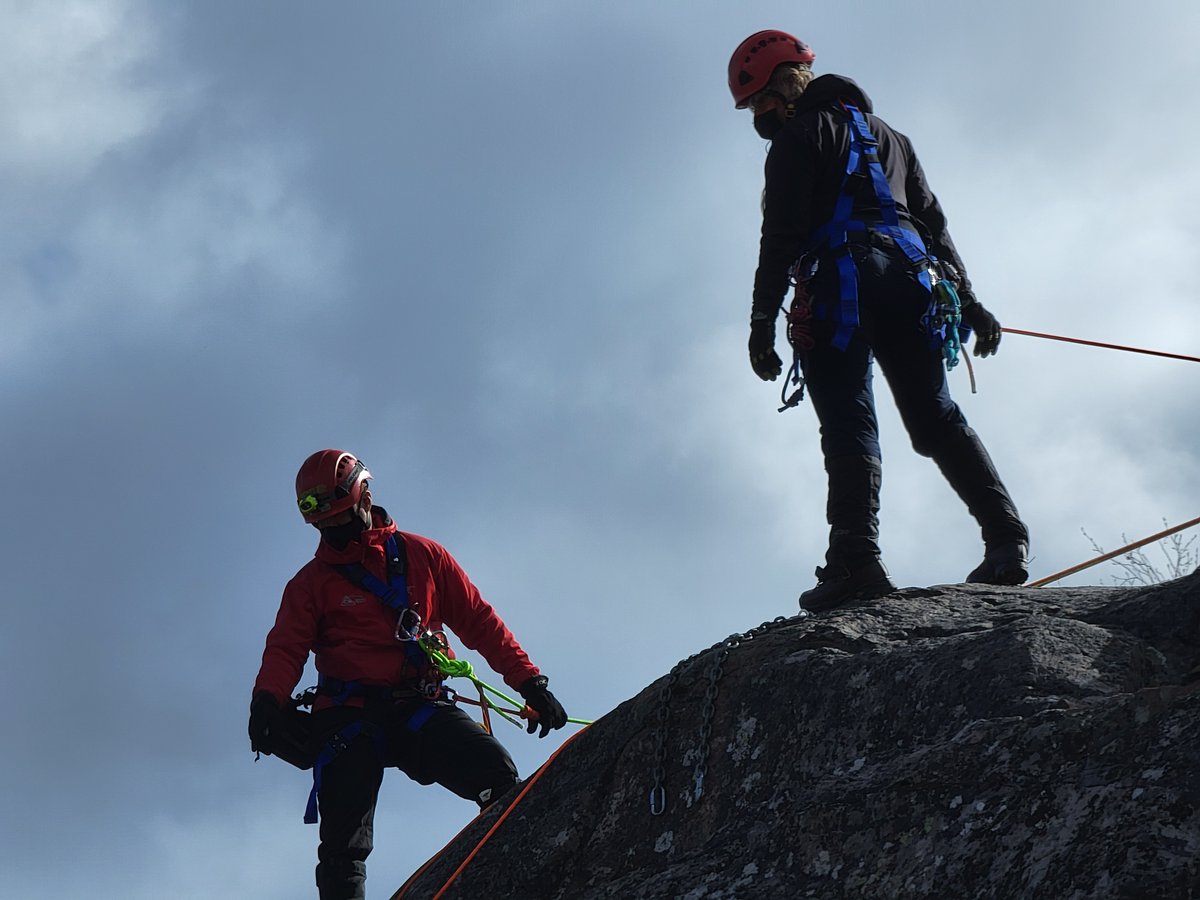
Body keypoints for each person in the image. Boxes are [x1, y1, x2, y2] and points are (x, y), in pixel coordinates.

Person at [727, 30, 1030, 612]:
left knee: (847, 420)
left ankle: (856, 562)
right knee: (935, 417)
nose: (756, 116)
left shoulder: (797, 137)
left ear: (786, 87)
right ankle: (1006, 539)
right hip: (915, 282)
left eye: (760, 101)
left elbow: (781, 235)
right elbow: (934, 225)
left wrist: (762, 320)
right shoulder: (894, 138)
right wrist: (969, 302)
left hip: (843, 281)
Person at [249, 449, 568, 900]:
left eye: (340, 521)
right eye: (324, 527)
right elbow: (286, 647)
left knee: (496, 776)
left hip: (419, 705)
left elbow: (479, 621)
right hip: (349, 716)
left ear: (364, 498)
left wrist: (528, 682)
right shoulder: (310, 585)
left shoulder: (424, 556)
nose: (333, 534)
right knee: (343, 842)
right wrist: (267, 700)